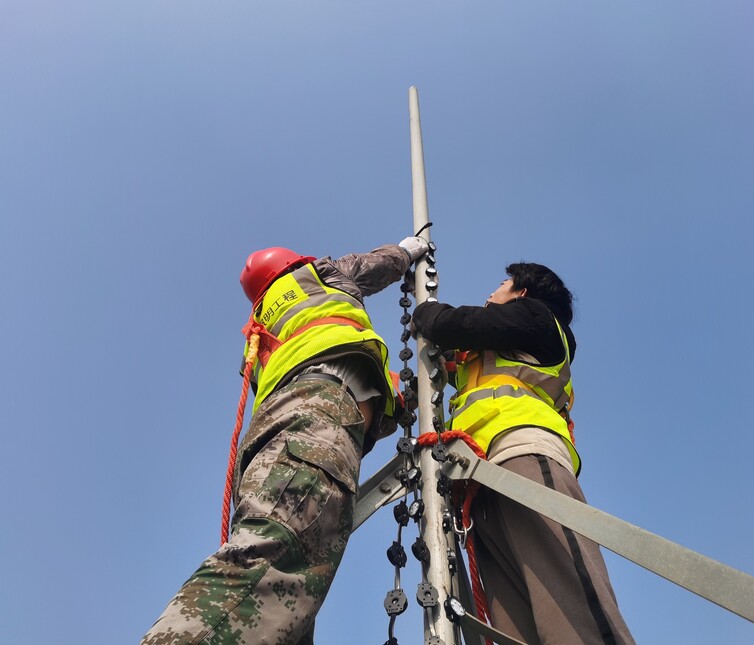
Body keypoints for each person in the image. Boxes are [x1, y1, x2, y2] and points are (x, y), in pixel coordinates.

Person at [142, 237, 429, 645]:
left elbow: (336, 383)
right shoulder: (317, 276)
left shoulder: (261, 333)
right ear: (291, 264)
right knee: (270, 562)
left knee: (282, 611)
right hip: (315, 417)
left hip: (281, 434)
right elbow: (376, 265)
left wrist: (401, 401)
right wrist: (407, 251)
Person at [411, 262, 635, 645]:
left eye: (502, 284)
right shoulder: (496, 353)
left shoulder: (538, 318)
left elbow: (457, 325)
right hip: (480, 481)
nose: (490, 294)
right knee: (514, 630)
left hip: (523, 454)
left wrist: (427, 312)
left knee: (571, 609)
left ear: (522, 293)